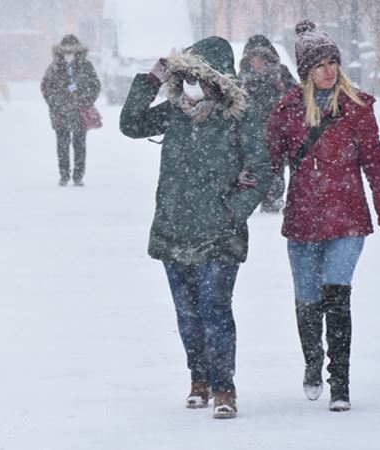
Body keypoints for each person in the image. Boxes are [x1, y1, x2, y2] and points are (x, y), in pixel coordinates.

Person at [120, 36, 272, 419]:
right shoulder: (173, 112)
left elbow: (261, 168)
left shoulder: (238, 115)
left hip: (219, 234)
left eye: (198, 76)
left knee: (214, 308)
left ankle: (224, 388)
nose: (191, 84)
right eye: (185, 75)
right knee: (187, 313)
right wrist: (151, 79)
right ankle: (198, 380)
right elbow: (130, 124)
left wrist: (232, 213)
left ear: (216, 79)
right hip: (174, 229)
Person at [266, 20, 380, 412]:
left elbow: (376, 164)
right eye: (320, 64)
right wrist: (239, 191)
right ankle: (312, 362)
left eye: (332, 63)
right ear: (306, 71)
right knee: (307, 301)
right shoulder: (287, 111)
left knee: (337, 298)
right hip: (303, 219)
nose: (328, 71)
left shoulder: (357, 108)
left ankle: (339, 381)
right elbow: (269, 163)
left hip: (347, 218)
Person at [239, 34, 296, 214]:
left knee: (274, 169)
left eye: (258, 58)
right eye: (252, 58)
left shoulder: (280, 74)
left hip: (275, 132)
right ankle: (248, 202)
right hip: (251, 133)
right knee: (250, 168)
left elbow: (296, 96)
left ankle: (272, 203)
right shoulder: (243, 78)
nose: (255, 62)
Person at [41, 34, 100, 187]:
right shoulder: (54, 67)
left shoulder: (86, 66)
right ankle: (64, 175)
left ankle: (78, 176)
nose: (69, 55)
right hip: (59, 113)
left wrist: (85, 101)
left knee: (80, 144)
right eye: (66, 52)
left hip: (80, 112)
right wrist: (57, 104)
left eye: (72, 52)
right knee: (62, 144)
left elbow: (95, 86)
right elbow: (46, 88)